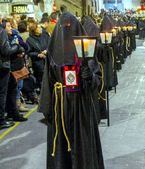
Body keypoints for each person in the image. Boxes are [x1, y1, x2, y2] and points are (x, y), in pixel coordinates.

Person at [39, 12, 105, 169]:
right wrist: (47, 109)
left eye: (71, 28)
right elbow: (47, 81)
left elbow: (97, 79)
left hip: (80, 105)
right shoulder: (53, 51)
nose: (67, 33)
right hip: (59, 106)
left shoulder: (86, 49)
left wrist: (89, 76)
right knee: (62, 149)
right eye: (64, 28)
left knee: (82, 144)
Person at [3, 20, 28, 122]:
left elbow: (25, 47)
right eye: (8, 26)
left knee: (13, 91)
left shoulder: (14, 36)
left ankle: (12, 113)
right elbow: (8, 51)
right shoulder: (4, 39)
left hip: (15, 67)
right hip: (9, 68)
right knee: (11, 92)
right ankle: (13, 114)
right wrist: (17, 47)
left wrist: (20, 49)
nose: (11, 28)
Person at [27, 21, 50, 91]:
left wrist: (47, 50)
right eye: (39, 28)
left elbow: (51, 44)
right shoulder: (29, 40)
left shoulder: (45, 35)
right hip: (38, 64)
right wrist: (38, 54)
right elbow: (29, 52)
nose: (41, 29)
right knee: (41, 80)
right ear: (34, 30)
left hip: (48, 60)